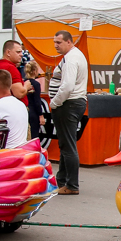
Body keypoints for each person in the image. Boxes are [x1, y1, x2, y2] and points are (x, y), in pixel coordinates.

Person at [48, 30, 88, 195]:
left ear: (69, 42)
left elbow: (67, 86)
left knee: (68, 145)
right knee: (66, 144)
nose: (56, 45)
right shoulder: (74, 56)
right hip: (72, 103)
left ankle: (71, 185)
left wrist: (54, 102)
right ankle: (62, 180)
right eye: (54, 42)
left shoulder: (71, 59)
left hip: (68, 104)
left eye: (59, 42)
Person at [0, 39, 33, 105]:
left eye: (21, 52)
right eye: (18, 52)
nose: (21, 55)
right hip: (13, 107)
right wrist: (26, 86)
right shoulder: (10, 68)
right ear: (8, 52)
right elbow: (19, 93)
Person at [24, 60, 46, 140]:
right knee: (34, 136)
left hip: (25, 111)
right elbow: (37, 101)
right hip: (33, 112)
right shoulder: (36, 84)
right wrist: (41, 115)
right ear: (34, 71)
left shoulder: (23, 82)